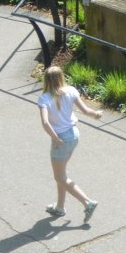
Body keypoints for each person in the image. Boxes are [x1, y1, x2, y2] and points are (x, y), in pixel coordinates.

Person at [36, 65, 103, 222]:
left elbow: (45, 122)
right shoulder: (71, 91)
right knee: (61, 175)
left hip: (61, 139)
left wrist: (55, 138)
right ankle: (59, 207)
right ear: (61, 78)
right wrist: (96, 114)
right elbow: (86, 111)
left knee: (60, 177)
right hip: (74, 135)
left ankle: (88, 202)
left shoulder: (44, 99)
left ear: (46, 80)